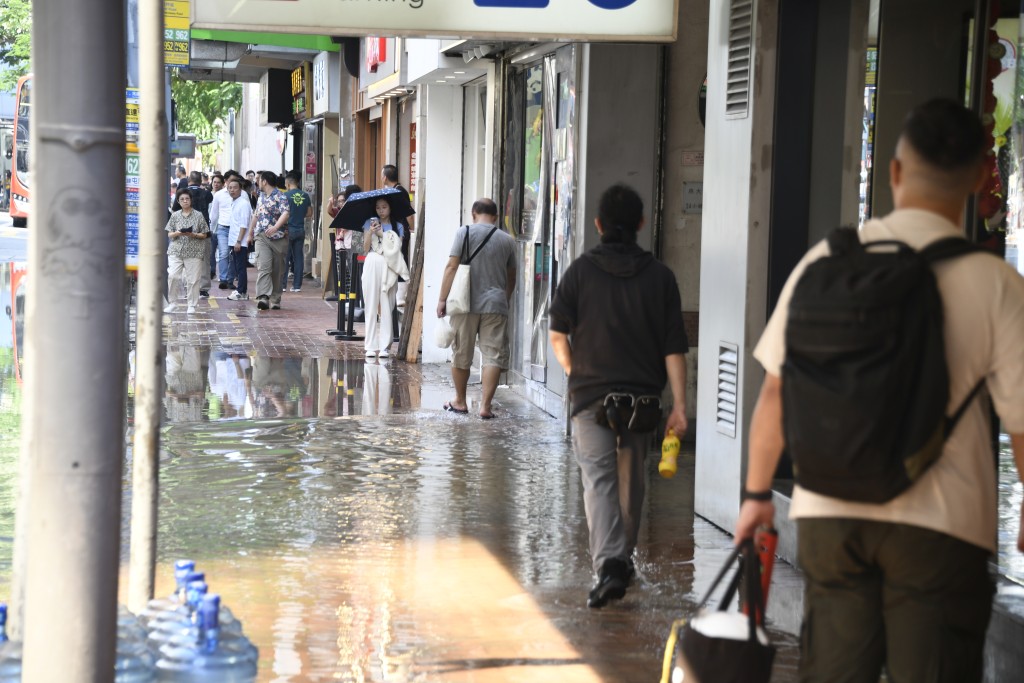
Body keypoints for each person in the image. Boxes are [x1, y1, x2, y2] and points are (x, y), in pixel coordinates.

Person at [735, 99, 1024, 682]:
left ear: (894, 172)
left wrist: (757, 493)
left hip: (830, 513)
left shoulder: (828, 258)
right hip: (943, 525)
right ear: (977, 179)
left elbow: (775, 394)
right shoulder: (997, 282)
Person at [548, 183, 689, 609]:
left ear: (598, 225)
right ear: (641, 224)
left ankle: (609, 565)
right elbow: (673, 348)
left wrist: (577, 373)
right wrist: (681, 406)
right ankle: (621, 561)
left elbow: (557, 335)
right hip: (643, 402)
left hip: (591, 397)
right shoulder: (662, 278)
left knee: (599, 481)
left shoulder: (579, 272)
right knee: (632, 483)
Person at [436, 199, 517, 418]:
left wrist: (442, 299)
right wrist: (504, 298)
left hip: (464, 303)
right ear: (496, 216)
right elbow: (511, 276)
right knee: (493, 355)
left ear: (473, 214)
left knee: (462, 352)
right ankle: (485, 407)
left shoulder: (464, 232)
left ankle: (460, 401)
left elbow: (452, 266)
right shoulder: (508, 240)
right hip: (495, 304)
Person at [361, 197, 407, 357]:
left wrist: (383, 233)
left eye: (384, 207)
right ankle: (370, 345)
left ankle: (385, 346)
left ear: (390, 208)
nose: (381, 210)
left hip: (389, 266)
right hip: (372, 261)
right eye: (378, 207)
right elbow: (365, 248)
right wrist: (370, 233)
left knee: (387, 304)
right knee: (370, 303)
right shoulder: (369, 222)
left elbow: (397, 249)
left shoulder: (398, 226)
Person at [163, 187, 210, 315]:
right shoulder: (175, 215)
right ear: (178, 201)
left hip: (194, 251)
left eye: (187, 199)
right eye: (182, 199)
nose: (185, 201)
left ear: (191, 200)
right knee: (172, 275)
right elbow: (169, 234)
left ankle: (192, 305)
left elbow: (205, 234)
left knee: (193, 279)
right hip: (176, 251)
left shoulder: (198, 215)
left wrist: (193, 234)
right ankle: (173, 303)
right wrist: (178, 233)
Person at [247, 170, 290, 311]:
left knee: (278, 270)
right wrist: (250, 233)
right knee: (264, 266)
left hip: (278, 238)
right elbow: (256, 215)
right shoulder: (260, 196)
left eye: (259, 180)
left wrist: (276, 227)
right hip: (261, 236)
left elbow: (286, 212)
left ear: (264, 181)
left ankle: (275, 298)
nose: (257, 183)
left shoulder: (280, 196)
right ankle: (263, 297)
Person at [281, 171, 311, 292]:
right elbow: (309, 214)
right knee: (298, 257)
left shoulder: (285, 196)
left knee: (285, 258)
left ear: (288, 183)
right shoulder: (305, 195)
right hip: (300, 229)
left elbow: (282, 214)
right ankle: (297, 286)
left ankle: (282, 285)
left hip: (288, 230)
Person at [225, 177, 253, 302]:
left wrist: (238, 241)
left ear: (240, 189)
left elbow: (244, 224)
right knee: (237, 267)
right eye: (230, 188)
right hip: (234, 240)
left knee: (241, 268)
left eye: (235, 188)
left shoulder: (243, 204)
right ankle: (240, 290)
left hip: (239, 242)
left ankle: (242, 292)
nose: (232, 190)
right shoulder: (234, 202)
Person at [209, 171, 236, 290]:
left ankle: (231, 279)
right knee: (223, 253)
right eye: (230, 180)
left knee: (233, 255)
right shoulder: (218, 195)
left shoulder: (242, 195)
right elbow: (214, 214)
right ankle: (223, 279)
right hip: (222, 228)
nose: (233, 184)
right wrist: (211, 229)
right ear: (226, 181)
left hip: (236, 229)